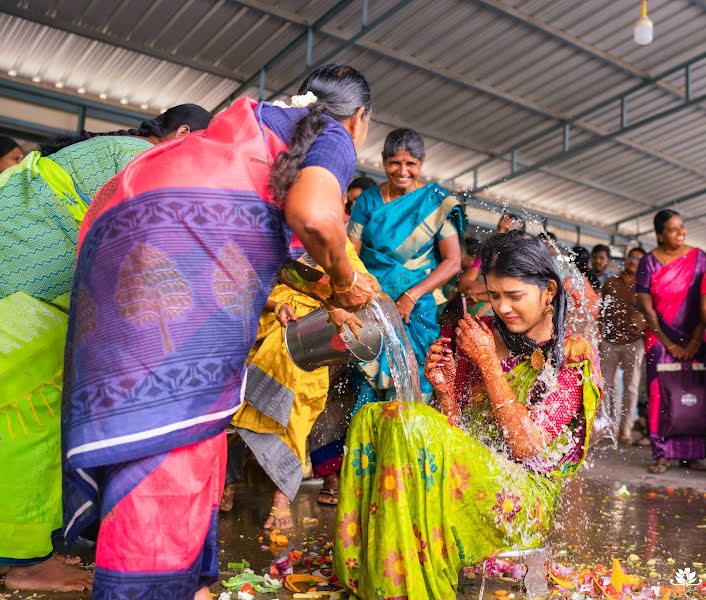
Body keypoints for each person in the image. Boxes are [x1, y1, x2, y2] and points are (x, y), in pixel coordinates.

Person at [60, 64, 376, 600]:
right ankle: (148, 587)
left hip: (118, 241)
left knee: (192, 433)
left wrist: (319, 284)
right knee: (167, 450)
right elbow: (316, 217)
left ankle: (189, 584)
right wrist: (345, 285)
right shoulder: (332, 134)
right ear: (360, 118)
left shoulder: (258, 128)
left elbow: (274, 233)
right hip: (169, 274)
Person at [0, 104, 212, 593]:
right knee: (33, 421)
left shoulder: (108, 153)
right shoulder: (140, 159)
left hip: (16, 282)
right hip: (27, 296)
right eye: (201, 147)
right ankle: (25, 562)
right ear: (181, 134)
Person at [334, 231, 602, 599]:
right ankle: (385, 579)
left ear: (549, 293)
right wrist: (445, 392)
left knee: (411, 423)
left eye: (515, 296)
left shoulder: (572, 353)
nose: (503, 308)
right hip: (474, 471)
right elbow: (456, 433)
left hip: (523, 496)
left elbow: (526, 447)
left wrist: (489, 363)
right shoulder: (484, 332)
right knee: (374, 417)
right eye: (494, 296)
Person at [230, 240, 375, 529]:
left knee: (297, 411)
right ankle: (228, 483)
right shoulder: (272, 231)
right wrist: (277, 303)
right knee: (240, 410)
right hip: (265, 320)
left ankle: (280, 500)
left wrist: (340, 299)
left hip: (312, 332)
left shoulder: (337, 240)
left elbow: (367, 285)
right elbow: (242, 285)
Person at [348, 127, 463, 406]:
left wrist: (411, 296)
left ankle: (406, 442)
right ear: (383, 160)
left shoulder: (434, 202)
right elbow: (350, 253)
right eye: (394, 162)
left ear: (421, 164)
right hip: (373, 301)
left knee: (415, 375)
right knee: (366, 381)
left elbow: (453, 261)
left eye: (410, 163)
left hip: (417, 307)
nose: (402, 171)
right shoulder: (368, 201)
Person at [636, 209, 706, 474]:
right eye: (673, 229)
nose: (681, 233)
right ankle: (662, 453)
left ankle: (695, 452)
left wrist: (694, 341)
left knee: (695, 392)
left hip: (696, 337)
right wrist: (669, 343)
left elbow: (705, 304)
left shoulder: (700, 258)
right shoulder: (648, 262)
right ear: (660, 235)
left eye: (682, 227)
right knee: (659, 395)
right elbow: (646, 307)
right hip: (659, 338)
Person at [599, 247, 647, 444]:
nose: (633, 261)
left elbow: (653, 311)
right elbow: (599, 308)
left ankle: (625, 431)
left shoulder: (645, 286)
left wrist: (643, 323)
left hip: (634, 342)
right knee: (605, 386)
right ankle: (608, 427)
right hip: (609, 340)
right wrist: (598, 330)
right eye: (631, 257)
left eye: (638, 259)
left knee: (631, 388)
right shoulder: (611, 283)